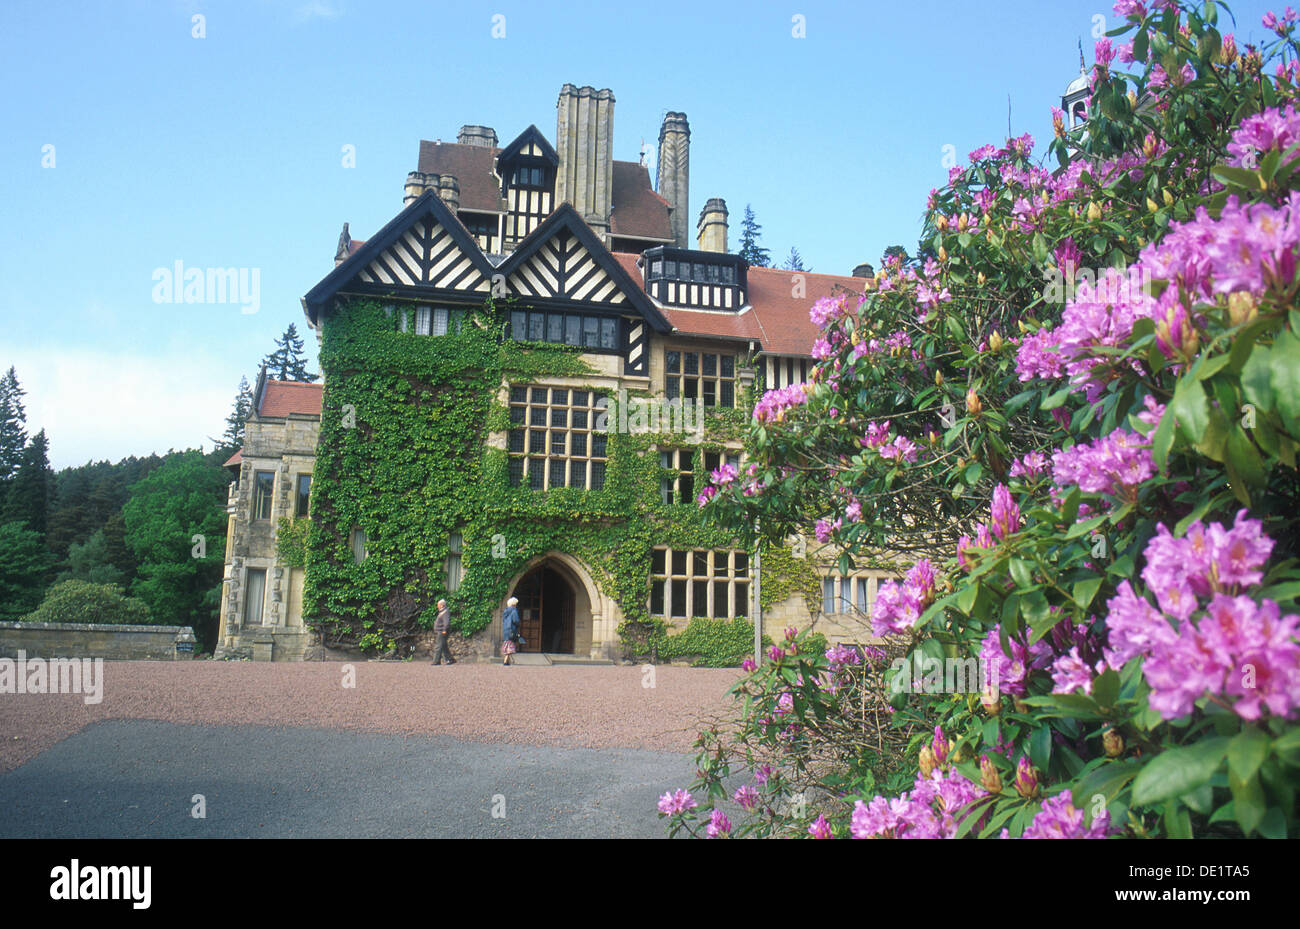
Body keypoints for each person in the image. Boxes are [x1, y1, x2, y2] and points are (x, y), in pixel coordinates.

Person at [432, 599, 456, 665]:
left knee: (438, 646)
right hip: (441, 631)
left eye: (438, 605)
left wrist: (444, 630)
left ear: (442, 605)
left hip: (442, 631)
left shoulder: (445, 612)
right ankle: (450, 659)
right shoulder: (443, 612)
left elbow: (446, 623)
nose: (437, 606)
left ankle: (436, 661)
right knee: (444, 646)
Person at [501, 596, 520, 666]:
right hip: (511, 630)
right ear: (514, 604)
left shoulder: (505, 611)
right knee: (510, 646)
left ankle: (507, 661)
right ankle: (506, 660)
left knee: (507, 644)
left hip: (506, 630)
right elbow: (516, 620)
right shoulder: (514, 611)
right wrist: (518, 625)